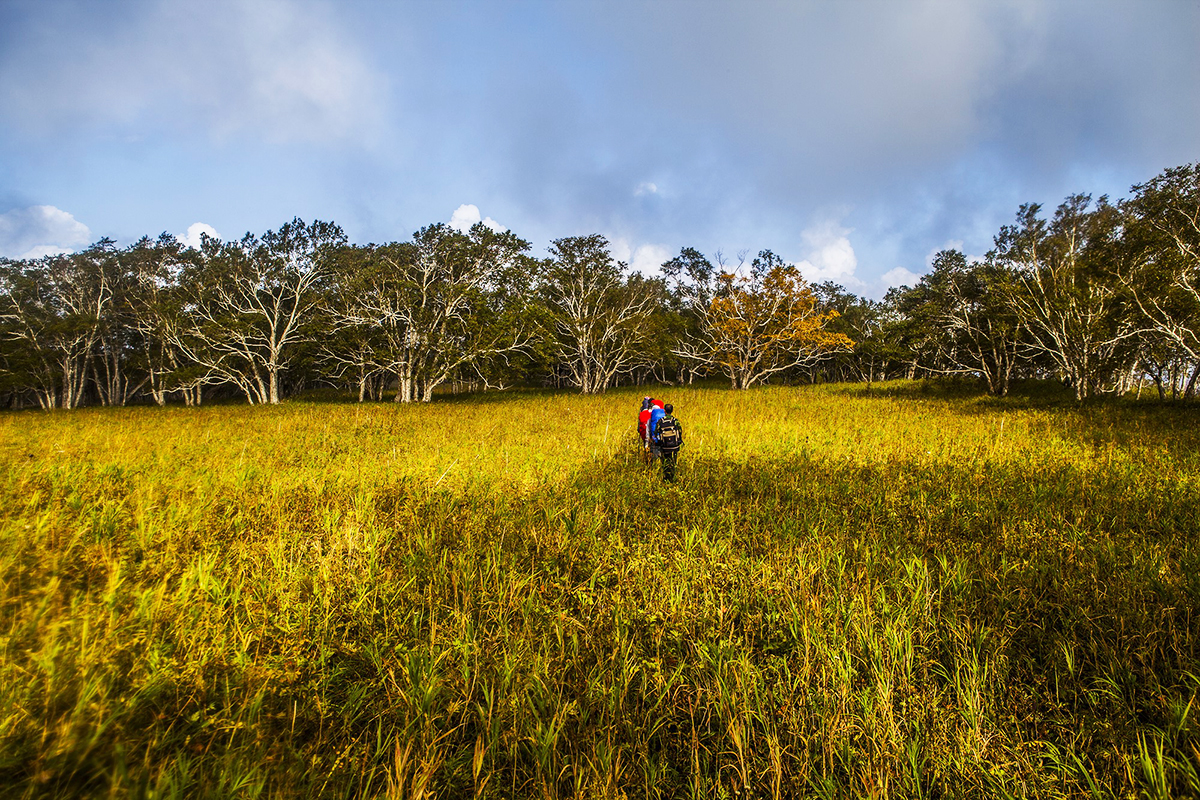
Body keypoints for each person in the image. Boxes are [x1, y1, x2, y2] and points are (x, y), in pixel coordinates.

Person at [652, 403, 684, 481]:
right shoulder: (675, 420)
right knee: (673, 461)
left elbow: (656, 432)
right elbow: (680, 431)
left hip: (665, 446)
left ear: (664, 411)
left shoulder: (661, 421)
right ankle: (673, 475)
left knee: (665, 461)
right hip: (675, 446)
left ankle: (666, 476)